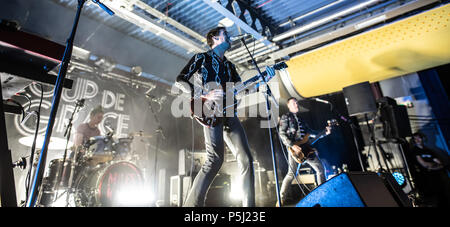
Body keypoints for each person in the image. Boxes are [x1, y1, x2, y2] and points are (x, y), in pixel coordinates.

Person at [175, 27, 273, 207]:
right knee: (215, 159)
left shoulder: (230, 65)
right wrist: (203, 94)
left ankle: (248, 207)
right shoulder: (201, 58)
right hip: (209, 110)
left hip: (230, 113)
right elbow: (180, 80)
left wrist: (262, 80)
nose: (229, 37)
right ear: (215, 38)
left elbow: (242, 90)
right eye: (225, 34)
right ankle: (192, 206)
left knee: (246, 159)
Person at [278, 97, 330, 206]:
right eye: (293, 103)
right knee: (291, 174)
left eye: (296, 103)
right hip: (294, 149)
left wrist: (324, 132)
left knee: (320, 168)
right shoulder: (285, 117)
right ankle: (280, 199)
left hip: (306, 149)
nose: (296, 105)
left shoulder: (301, 119)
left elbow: (311, 133)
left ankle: (322, 194)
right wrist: (292, 145)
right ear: (288, 106)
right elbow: (282, 133)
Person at [408, 132, 450, 207]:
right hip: (426, 181)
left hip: (438, 179)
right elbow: (424, 164)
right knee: (433, 201)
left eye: (418, 138)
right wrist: (433, 165)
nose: (417, 140)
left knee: (443, 198)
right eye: (415, 139)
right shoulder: (415, 151)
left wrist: (432, 166)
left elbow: (440, 163)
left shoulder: (429, 150)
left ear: (422, 138)